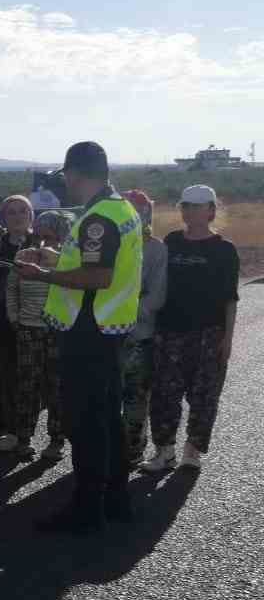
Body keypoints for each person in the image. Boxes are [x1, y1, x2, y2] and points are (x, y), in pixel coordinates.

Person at [15, 141, 143, 533]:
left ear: (75, 174)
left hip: (87, 332)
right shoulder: (122, 210)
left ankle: (86, 510)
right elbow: (100, 266)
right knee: (107, 418)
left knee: (87, 423)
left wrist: (43, 275)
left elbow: (97, 277)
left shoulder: (96, 219)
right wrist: (56, 259)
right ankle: (117, 500)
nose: (64, 185)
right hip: (108, 329)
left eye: (66, 177)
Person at [141, 185, 239, 474]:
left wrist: (228, 339)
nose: (190, 211)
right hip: (169, 331)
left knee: (204, 396)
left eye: (197, 206)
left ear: (211, 210)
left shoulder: (224, 249)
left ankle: (192, 451)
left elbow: (230, 299)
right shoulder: (171, 242)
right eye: (186, 206)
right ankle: (164, 451)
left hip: (210, 333)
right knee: (163, 394)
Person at [2, 210, 66, 459]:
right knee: (27, 384)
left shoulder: (67, 258)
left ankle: (56, 440)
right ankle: (24, 436)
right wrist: (14, 318)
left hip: (57, 329)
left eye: (49, 237)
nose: (43, 242)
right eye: (39, 236)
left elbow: (76, 282)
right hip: (28, 328)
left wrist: (54, 259)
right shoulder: (24, 255)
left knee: (56, 386)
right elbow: (11, 289)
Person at [119, 190, 167, 468]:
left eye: (142, 209)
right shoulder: (108, 245)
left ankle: (132, 450)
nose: (137, 215)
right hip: (106, 335)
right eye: (131, 209)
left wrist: (124, 308)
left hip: (139, 334)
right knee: (108, 396)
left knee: (136, 398)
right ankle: (109, 448)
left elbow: (156, 296)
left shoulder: (156, 248)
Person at [0, 195, 38, 445]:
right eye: (11, 212)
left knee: (34, 377)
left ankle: (33, 430)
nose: (17, 216)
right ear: (4, 218)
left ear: (31, 215)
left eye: (22, 211)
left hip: (38, 321)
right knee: (10, 375)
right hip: (6, 321)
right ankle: (12, 429)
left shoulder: (41, 243)